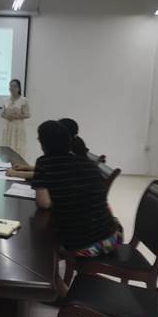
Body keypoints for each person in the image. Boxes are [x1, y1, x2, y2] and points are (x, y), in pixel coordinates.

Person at [30, 120, 121, 295]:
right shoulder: (87, 163)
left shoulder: (44, 163)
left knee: (41, 243)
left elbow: (44, 203)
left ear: (43, 143)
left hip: (85, 245)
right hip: (112, 237)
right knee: (52, 232)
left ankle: (59, 291)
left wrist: (57, 196)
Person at [6, 117, 89, 179]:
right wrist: (27, 167)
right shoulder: (73, 145)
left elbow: (47, 175)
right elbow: (51, 169)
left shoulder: (69, 151)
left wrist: (15, 174)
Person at [1, 79, 30, 158]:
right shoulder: (5, 100)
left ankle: (18, 163)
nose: (12, 88)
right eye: (11, 86)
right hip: (8, 127)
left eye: (14, 86)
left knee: (17, 146)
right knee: (7, 146)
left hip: (18, 127)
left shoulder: (24, 100)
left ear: (19, 88)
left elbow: (27, 115)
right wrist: (7, 116)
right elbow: (2, 113)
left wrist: (15, 117)